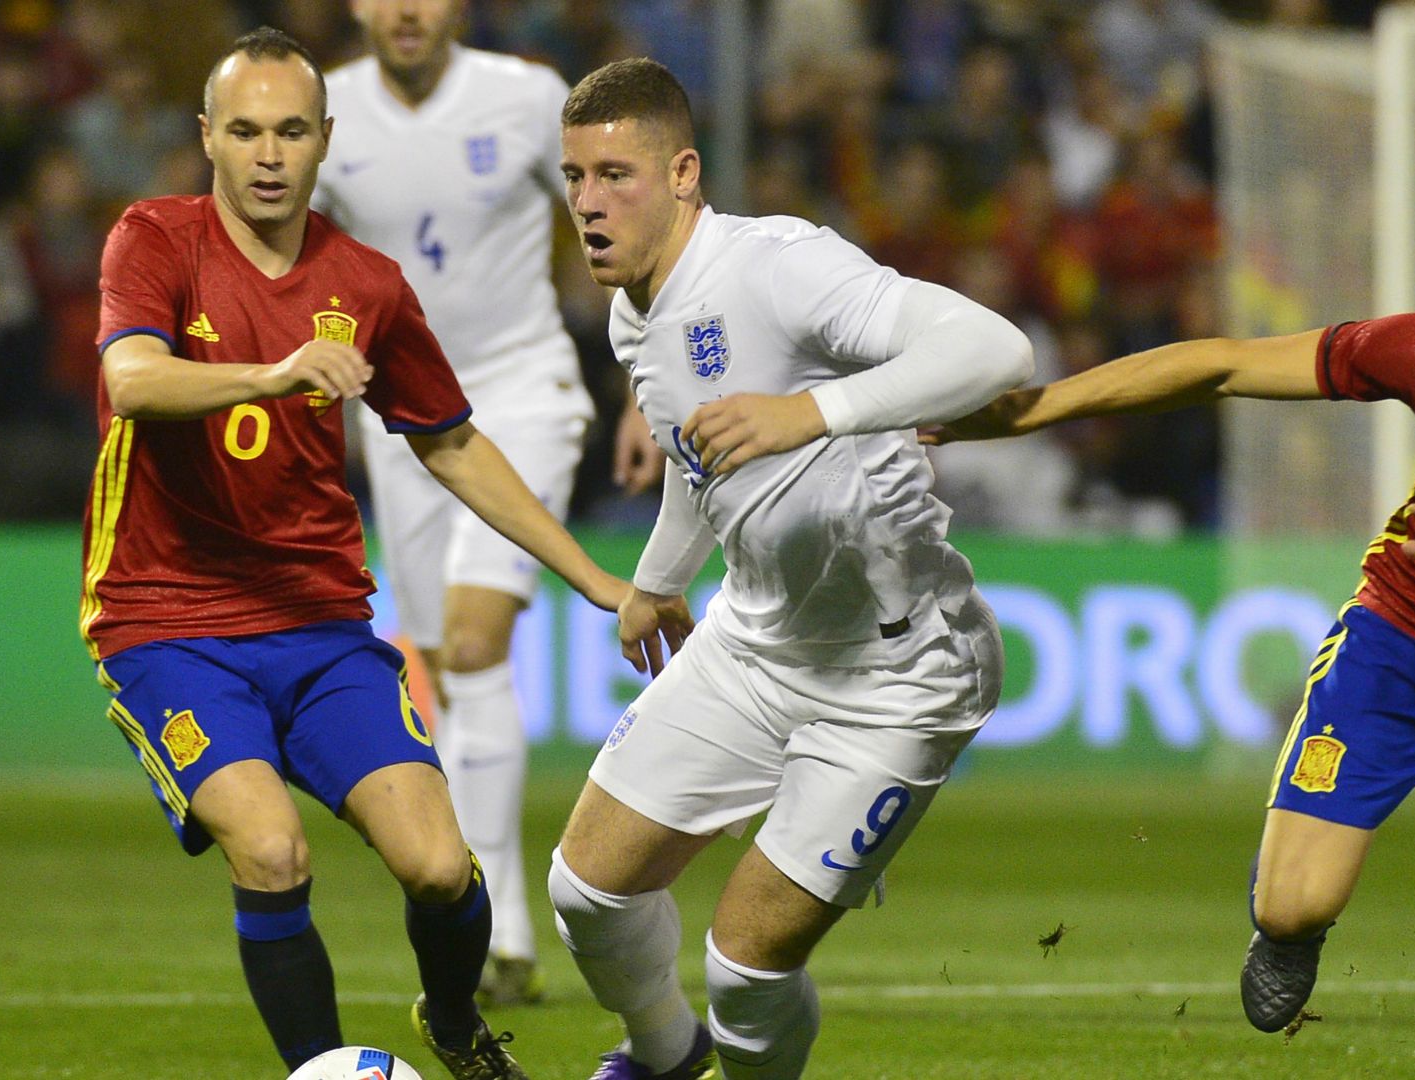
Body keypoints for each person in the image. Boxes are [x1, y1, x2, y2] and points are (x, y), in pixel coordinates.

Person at [931, 214, 1415, 1080]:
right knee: (1292, 906)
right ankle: (1284, 918)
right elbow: (1225, 363)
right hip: (1412, 638)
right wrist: (1035, 409)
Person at [84, 28, 670, 1080]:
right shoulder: (154, 239)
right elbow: (133, 382)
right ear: (208, 137)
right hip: (168, 624)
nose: (270, 154)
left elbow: (449, 441)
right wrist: (274, 373)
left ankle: (451, 1022)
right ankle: (318, 1069)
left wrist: (596, 582)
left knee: (444, 871)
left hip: (319, 630)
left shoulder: (367, 283)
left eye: (293, 132)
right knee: (270, 850)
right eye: (248, 131)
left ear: (324, 143)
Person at [547, 58, 1033, 1080]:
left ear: (684, 173)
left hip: (896, 673)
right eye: (575, 177)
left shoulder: (775, 267)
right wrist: (659, 576)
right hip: (756, 638)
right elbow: (699, 455)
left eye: (615, 175)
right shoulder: (635, 307)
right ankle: (665, 1059)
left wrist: (810, 411)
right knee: (585, 890)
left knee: (744, 970)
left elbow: (995, 351)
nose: (589, 203)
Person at [313, 0, 664, 1007]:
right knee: (449, 675)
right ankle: (494, 915)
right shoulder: (326, 112)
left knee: (475, 645)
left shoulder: (524, 101)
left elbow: (618, 237)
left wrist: (643, 385)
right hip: (402, 413)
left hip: (521, 394)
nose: (406, 10)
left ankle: (502, 933)